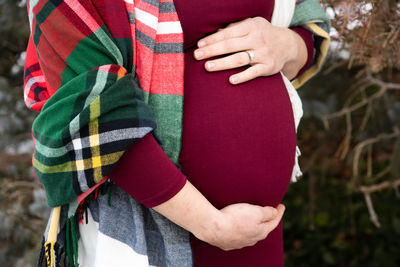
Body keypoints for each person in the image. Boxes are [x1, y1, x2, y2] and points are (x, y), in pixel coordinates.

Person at [24, 0, 330, 266]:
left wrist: (289, 45)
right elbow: (96, 117)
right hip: (152, 220)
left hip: (257, 233)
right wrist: (210, 225)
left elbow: (305, 23)